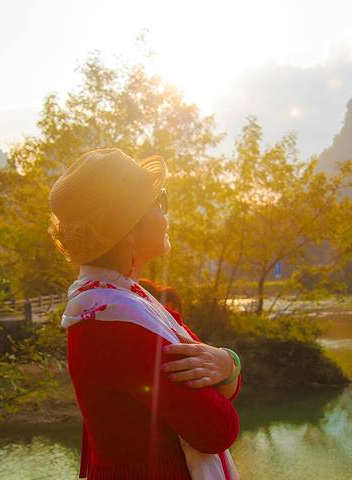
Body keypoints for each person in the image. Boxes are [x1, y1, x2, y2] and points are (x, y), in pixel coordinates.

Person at [47, 148, 242, 479]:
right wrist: (230, 365)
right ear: (128, 229)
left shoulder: (121, 303)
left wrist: (227, 363)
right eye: (160, 202)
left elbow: (217, 379)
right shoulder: (118, 322)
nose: (167, 216)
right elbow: (218, 430)